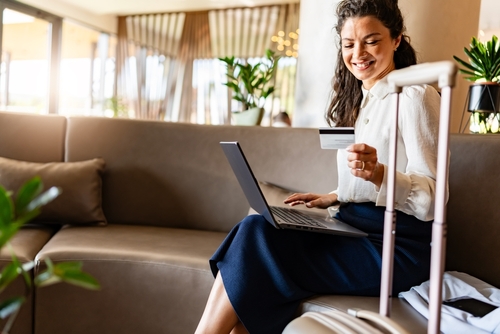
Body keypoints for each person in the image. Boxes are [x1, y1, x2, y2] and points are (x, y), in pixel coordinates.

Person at [195, 0, 442, 333]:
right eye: (349, 44)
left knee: (256, 244)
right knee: (255, 227)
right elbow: (362, 182)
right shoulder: (358, 101)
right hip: (354, 228)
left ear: (396, 39)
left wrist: (380, 173)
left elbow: (432, 198)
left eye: (371, 40)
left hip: (396, 248)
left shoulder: (416, 97)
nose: (359, 53)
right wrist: (334, 196)